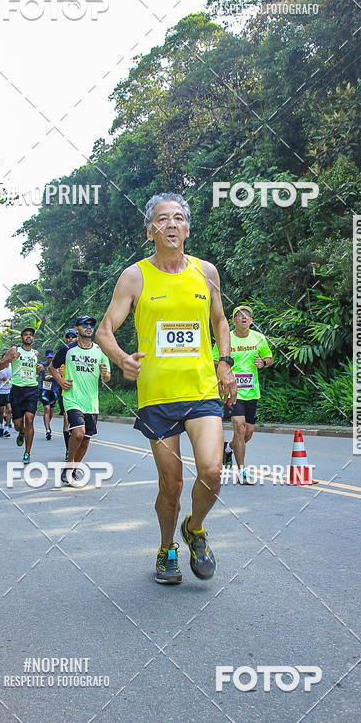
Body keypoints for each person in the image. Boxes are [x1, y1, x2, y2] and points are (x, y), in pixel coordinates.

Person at [97, 193, 236, 585]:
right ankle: (166, 549)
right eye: (162, 219)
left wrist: (224, 362)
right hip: (157, 397)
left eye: (178, 218)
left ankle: (195, 528)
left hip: (201, 391)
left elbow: (220, 320)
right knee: (171, 485)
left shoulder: (206, 272)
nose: (171, 224)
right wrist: (121, 358)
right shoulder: (135, 276)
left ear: (187, 229)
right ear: (150, 231)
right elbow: (105, 330)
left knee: (212, 471)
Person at [213, 305, 273, 483]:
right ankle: (242, 472)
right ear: (233, 320)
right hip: (232, 390)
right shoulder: (225, 339)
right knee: (239, 427)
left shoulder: (259, 338)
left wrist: (263, 362)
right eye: (240, 315)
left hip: (252, 391)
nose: (244, 317)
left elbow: (269, 357)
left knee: (247, 433)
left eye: (248, 315)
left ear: (251, 320)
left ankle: (228, 448)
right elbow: (215, 360)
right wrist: (222, 378)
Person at [49, 316, 111, 486]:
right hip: (72, 398)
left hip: (91, 402)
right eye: (85, 324)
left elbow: (107, 377)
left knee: (86, 439)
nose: (89, 327)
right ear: (77, 328)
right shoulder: (67, 350)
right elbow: (52, 367)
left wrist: (104, 373)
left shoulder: (100, 351)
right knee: (78, 433)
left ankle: (73, 469)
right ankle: (69, 465)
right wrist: (61, 381)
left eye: (91, 325)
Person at [0, 326, 43, 464]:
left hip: (32, 389)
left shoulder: (35, 353)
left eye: (31, 335)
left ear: (33, 338)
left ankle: (27, 453)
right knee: (18, 425)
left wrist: (40, 370)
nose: (28, 336)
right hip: (17, 390)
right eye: (26, 334)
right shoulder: (14, 350)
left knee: (29, 419)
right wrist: (9, 359)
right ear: (21, 337)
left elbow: (36, 373)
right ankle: (21, 432)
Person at [59, 328, 77, 459]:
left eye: (73, 337)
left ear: (77, 338)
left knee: (79, 427)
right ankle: (68, 451)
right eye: (68, 337)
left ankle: (75, 448)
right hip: (66, 393)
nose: (71, 339)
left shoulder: (83, 352)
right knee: (66, 420)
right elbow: (53, 369)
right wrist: (58, 376)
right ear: (65, 339)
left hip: (82, 393)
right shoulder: (62, 354)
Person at [38, 350, 58, 440]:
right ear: (46, 357)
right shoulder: (42, 365)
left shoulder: (56, 365)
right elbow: (37, 374)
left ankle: (47, 425)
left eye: (51, 357)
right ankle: (47, 430)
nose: (50, 359)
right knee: (47, 408)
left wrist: (52, 376)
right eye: (48, 357)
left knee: (51, 412)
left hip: (53, 390)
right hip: (44, 390)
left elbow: (59, 375)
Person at [0, 356, 12, 437]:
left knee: (9, 409)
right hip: (1, 391)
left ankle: (6, 429)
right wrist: (1, 379)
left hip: (9, 390)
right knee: (2, 410)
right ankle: (1, 426)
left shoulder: (12, 366)